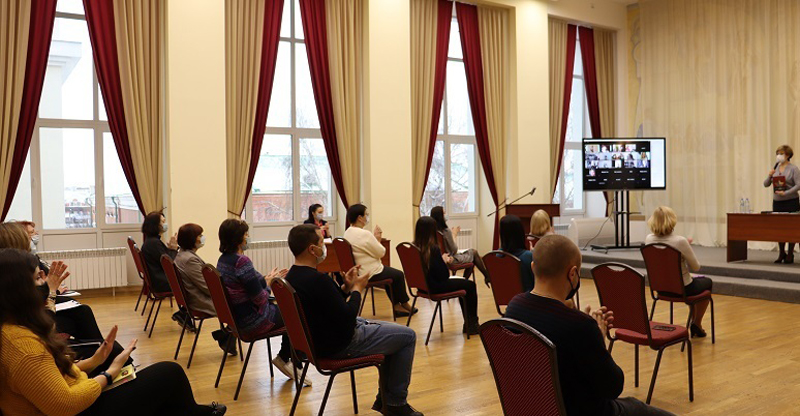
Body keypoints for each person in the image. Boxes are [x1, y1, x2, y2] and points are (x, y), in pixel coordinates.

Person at [0, 248, 227, 416]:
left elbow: (49, 375)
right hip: (78, 408)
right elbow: (65, 405)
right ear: (19, 290)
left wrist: (94, 361)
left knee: (156, 387)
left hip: (78, 392)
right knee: (170, 373)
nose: (46, 284)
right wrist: (108, 374)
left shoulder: (12, 328)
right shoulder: (24, 347)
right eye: (38, 278)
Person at [504, 235, 675, 416]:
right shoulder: (580, 326)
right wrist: (596, 335)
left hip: (536, 407)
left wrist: (583, 325)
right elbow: (612, 387)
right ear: (572, 274)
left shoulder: (514, 307)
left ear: (533, 267)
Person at [283, 224, 422, 416]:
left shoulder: (292, 277)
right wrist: (357, 289)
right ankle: (395, 404)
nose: (324, 247)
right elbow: (348, 317)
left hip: (319, 341)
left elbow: (328, 306)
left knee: (394, 332)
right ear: (312, 249)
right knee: (407, 336)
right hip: (339, 344)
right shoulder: (318, 280)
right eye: (322, 242)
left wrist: (346, 288)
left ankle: (385, 399)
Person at [0, 222, 122, 372]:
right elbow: (43, 327)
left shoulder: (14, 274)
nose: (32, 238)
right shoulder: (15, 282)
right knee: (110, 348)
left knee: (83, 314)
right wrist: (51, 291)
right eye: (29, 235)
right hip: (45, 345)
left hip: (43, 340)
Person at [216, 218, 308, 386]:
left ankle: (290, 359)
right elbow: (260, 298)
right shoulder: (241, 261)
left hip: (238, 320)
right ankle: (288, 359)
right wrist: (269, 284)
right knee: (298, 312)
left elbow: (246, 287)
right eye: (246, 234)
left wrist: (266, 280)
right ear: (238, 239)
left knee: (290, 310)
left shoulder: (223, 260)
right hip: (254, 321)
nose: (248, 237)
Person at [645, 206, 712, 338]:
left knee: (693, 282)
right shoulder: (680, 241)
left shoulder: (649, 239)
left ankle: (695, 323)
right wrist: (686, 248)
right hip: (683, 289)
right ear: (672, 221)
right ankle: (696, 323)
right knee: (707, 283)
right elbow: (696, 267)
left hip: (660, 289)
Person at [343, 204, 415, 317]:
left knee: (392, 275)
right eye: (366, 214)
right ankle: (404, 304)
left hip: (359, 270)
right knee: (398, 275)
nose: (367, 217)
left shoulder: (347, 232)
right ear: (360, 218)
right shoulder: (364, 234)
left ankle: (398, 306)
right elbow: (381, 252)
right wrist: (378, 239)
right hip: (370, 271)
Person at [174, 223, 235, 355]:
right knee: (239, 304)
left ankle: (228, 336)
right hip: (200, 301)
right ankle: (227, 335)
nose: (202, 237)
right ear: (192, 239)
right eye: (200, 235)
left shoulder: (182, 255)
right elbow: (207, 287)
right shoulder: (189, 260)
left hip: (194, 298)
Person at [414, 216, 479, 335]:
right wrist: (443, 261)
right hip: (435, 287)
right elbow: (444, 276)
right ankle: (472, 325)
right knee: (470, 286)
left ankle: (469, 324)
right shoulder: (433, 249)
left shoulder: (415, 247)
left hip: (423, 286)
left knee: (464, 285)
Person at [140, 211, 193, 330]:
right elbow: (170, 264)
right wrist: (173, 249)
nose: (165, 224)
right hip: (161, 282)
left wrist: (170, 249)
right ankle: (184, 314)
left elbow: (164, 258)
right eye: (163, 222)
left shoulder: (152, 241)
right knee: (190, 283)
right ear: (155, 225)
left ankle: (184, 313)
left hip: (158, 278)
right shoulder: (154, 243)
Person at [429, 206, 491, 285]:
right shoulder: (446, 231)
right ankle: (486, 276)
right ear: (440, 216)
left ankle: (467, 280)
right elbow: (454, 249)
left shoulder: (433, 231)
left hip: (441, 258)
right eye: (444, 213)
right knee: (474, 253)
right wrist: (454, 233)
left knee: (471, 256)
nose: (446, 215)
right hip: (451, 259)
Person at [764, 144, 800, 263]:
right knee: (779, 228)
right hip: (778, 202)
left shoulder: (793, 169)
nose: (778, 156)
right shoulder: (775, 168)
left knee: (791, 228)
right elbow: (765, 184)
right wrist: (769, 175)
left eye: (781, 153)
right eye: (777, 153)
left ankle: (790, 253)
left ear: (788, 155)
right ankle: (781, 253)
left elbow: (798, 185)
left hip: (791, 201)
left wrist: (786, 193)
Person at [499, 215, 535, 293]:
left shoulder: (498, 255)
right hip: (527, 298)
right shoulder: (528, 256)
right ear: (520, 232)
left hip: (506, 296)